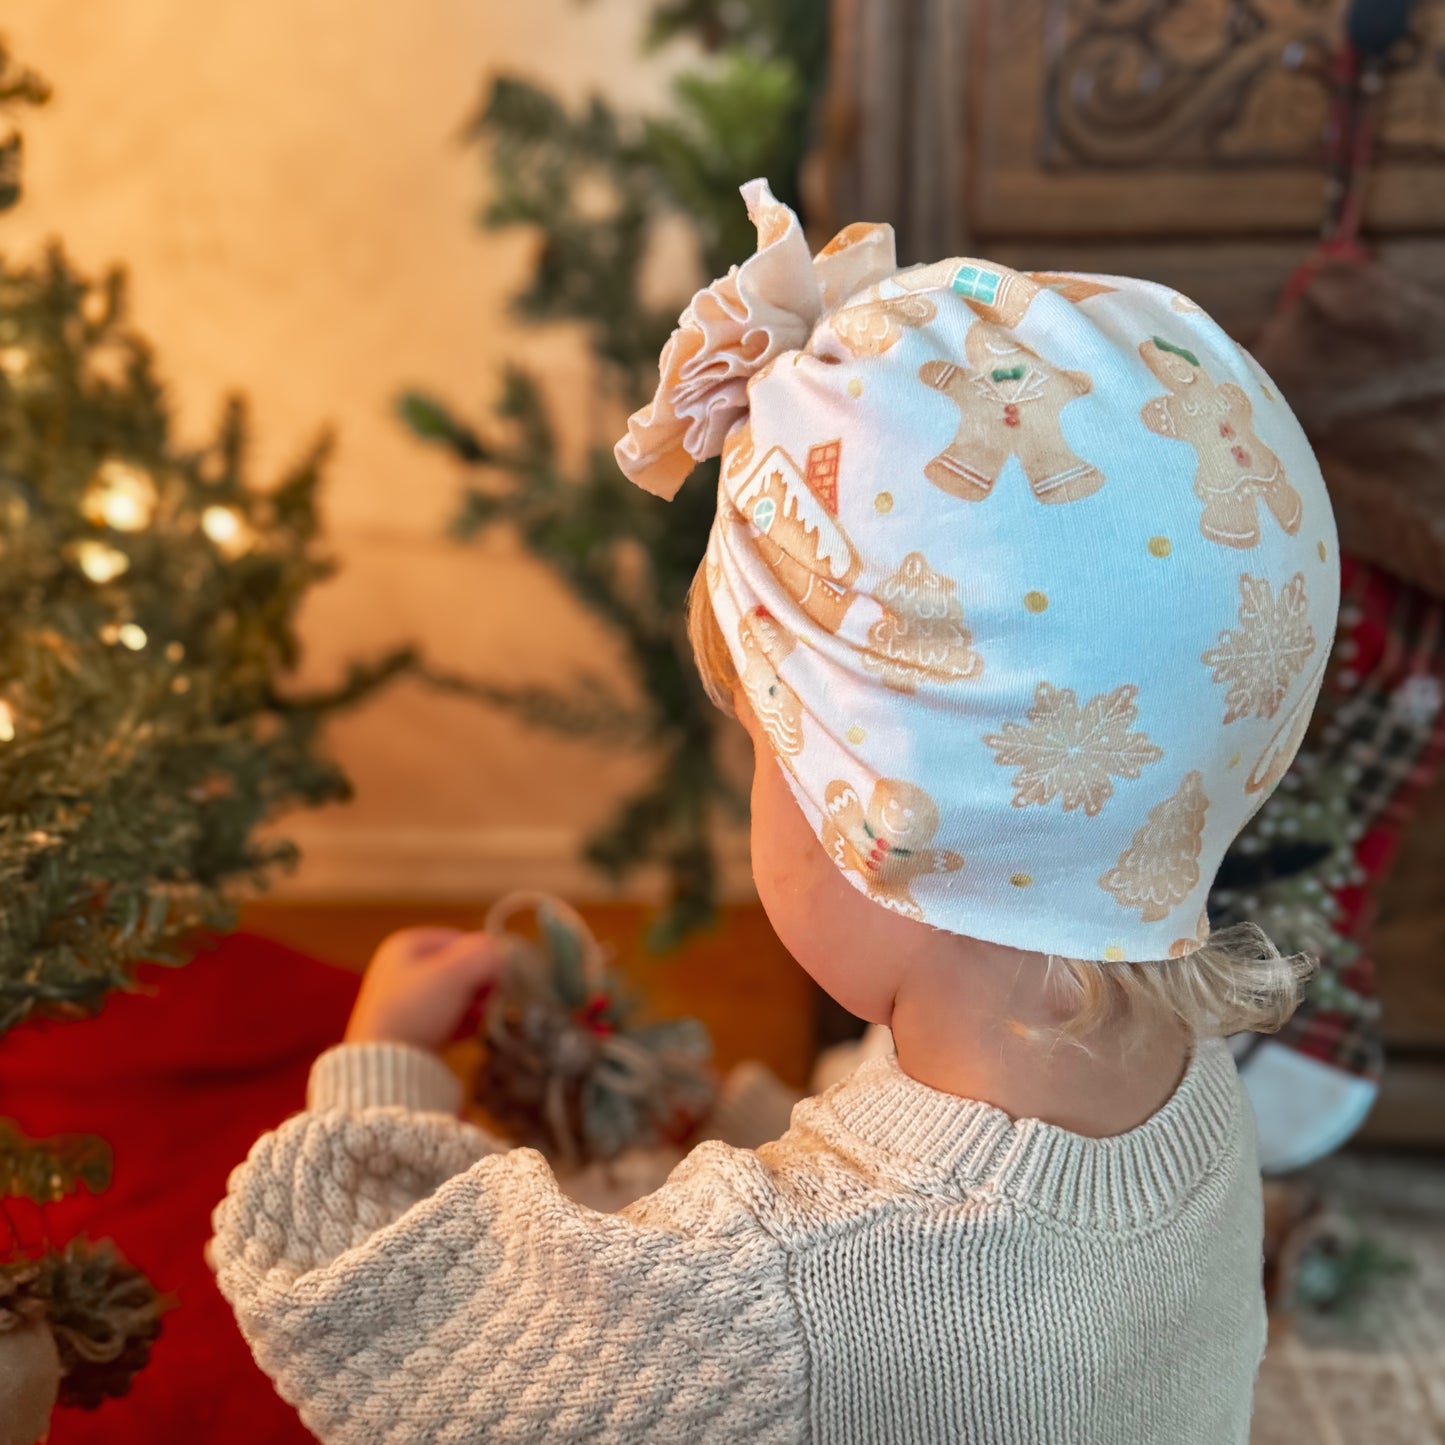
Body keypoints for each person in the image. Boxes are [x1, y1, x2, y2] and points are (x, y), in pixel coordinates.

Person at [211, 179, 1339, 1443]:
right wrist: (736, 1118)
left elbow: (369, 1311)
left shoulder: (761, 1293)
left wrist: (382, 1066)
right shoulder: (1194, 1093)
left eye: (760, 742)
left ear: (875, 819)